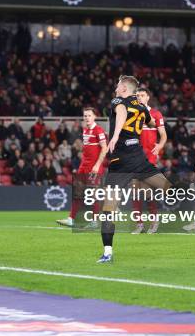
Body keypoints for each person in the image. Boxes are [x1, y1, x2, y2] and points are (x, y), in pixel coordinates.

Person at [99, 76, 173, 263]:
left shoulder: (119, 101)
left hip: (120, 162)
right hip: (139, 159)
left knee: (108, 209)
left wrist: (115, 136)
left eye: (117, 85)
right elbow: (152, 124)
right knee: (167, 188)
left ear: (124, 88)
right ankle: (194, 190)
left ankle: (108, 252)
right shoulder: (141, 107)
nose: (115, 88)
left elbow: (122, 112)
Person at [57, 107, 107, 228]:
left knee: (93, 194)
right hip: (83, 166)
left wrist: (97, 165)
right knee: (78, 193)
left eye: (89, 115)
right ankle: (71, 219)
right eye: (85, 116)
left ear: (94, 117)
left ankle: (95, 221)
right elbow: (87, 150)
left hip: (94, 167)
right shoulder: (85, 130)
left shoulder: (99, 130)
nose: (86, 118)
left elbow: (104, 148)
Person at [131, 87, 167, 234]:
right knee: (135, 191)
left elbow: (163, 135)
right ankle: (139, 224)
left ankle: (154, 221)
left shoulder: (155, 114)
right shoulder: (132, 114)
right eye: (137, 95)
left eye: (142, 95)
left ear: (147, 97)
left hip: (148, 158)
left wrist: (159, 146)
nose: (139, 97)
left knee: (146, 192)